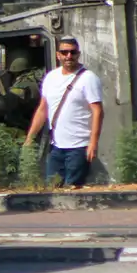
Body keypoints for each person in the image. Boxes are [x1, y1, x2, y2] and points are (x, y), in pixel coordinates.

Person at [24, 36, 103, 189]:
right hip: (56, 147)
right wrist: (30, 138)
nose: (69, 56)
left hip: (79, 147)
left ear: (78, 54)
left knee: (73, 189)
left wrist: (93, 143)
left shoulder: (88, 78)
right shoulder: (51, 78)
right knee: (52, 188)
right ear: (58, 55)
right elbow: (42, 109)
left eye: (73, 52)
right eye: (64, 52)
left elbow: (98, 111)